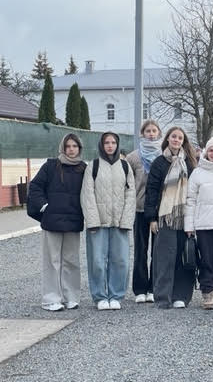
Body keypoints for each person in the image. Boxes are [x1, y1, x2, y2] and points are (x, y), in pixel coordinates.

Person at [27, 133, 87, 311]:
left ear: (79, 148)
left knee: (71, 261)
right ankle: (51, 299)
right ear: (63, 148)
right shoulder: (51, 166)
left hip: (73, 221)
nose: (71, 149)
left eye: (74, 146)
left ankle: (71, 297)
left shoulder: (84, 168)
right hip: (52, 221)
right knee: (52, 261)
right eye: (68, 146)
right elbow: (35, 186)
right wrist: (44, 206)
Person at [81, 132, 136, 310]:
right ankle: (100, 296)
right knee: (97, 261)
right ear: (101, 145)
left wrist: (126, 220)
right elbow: (87, 194)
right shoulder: (94, 166)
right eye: (107, 142)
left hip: (119, 222)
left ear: (117, 145)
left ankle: (116, 295)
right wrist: (92, 221)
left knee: (121, 261)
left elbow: (131, 195)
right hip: (99, 223)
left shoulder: (125, 166)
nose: (110, 145)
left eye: (113, 142)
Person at [144, 126, 197, 309]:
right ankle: (162, 296)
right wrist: (151, 218)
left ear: (183, 142)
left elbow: (194, 192)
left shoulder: (189, 163)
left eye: (180, 138)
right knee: (164, 258)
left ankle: (181, 296)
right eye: (173, 137)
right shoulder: (159, 163)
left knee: (183, 257)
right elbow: (151, 191)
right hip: (165, 216)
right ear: (167, 139)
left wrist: (192, 220)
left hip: (184, 216)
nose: (176, 140)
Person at [184, 137, 213, 310]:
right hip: (204, 224)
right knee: (206, 260)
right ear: (206, 153)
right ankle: (207, 292)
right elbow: (190, 199)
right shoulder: (198, 173)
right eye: (211, 150)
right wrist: (189, 225)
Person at [125, 119, 162, 304]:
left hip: (159, 210)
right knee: (140, 250)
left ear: (159, 133)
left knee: (158, 251)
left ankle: (154, 288)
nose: (151, 134)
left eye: (154, 131)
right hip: (139, 208)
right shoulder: (133, 157)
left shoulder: (164, 155)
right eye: (148, 131)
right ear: (142, 133)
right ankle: (140, 289)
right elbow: (127, 184)